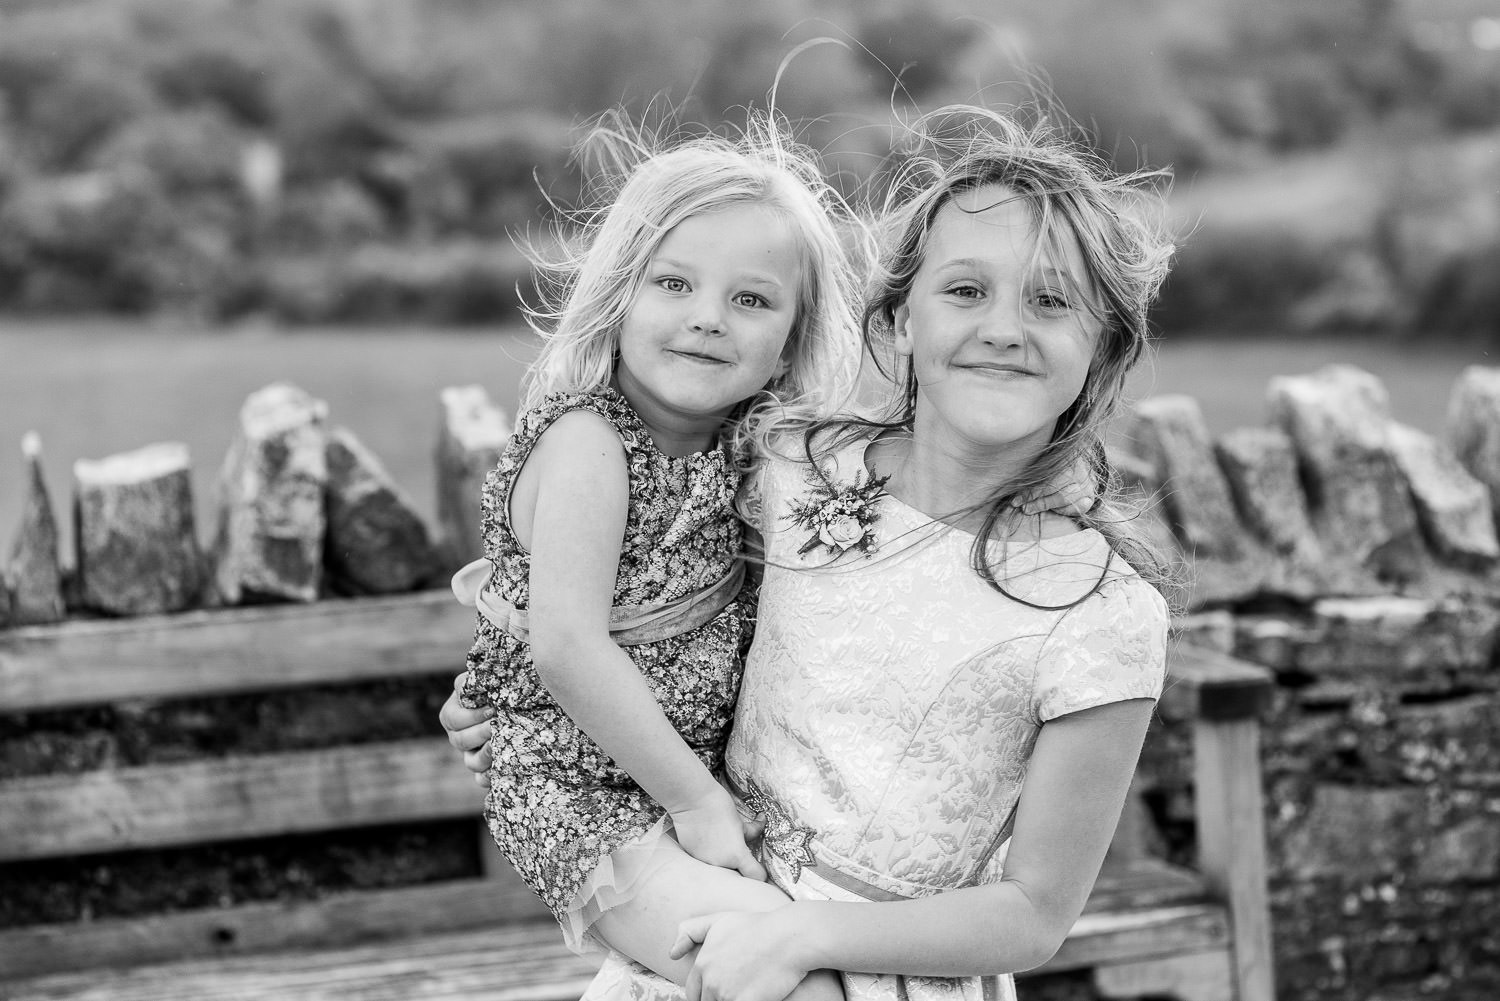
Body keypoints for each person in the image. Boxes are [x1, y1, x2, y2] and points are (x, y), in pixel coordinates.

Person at [443, 106, 1176, 1001]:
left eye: (1051, 301)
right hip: (703, 929)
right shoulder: (792, 471)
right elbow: (634, 589)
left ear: (1104, 347)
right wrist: (508, 690)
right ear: (900, 319)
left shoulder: (1101, 613)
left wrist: (803, 936)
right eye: (965, 291)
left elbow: (1034, 914)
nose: (1003, 327)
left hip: (870, 975)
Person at [448, 111, 868, 1000]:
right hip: (589, 802)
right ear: (619, 293)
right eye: (673, 283)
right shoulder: (590, 444)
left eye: (751, 299)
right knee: (792, 975)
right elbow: (565, 645)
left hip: (704, 786)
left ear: (793, 337)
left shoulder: (754, 454)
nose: (707, 319)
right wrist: (698, 803)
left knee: (853, 954)